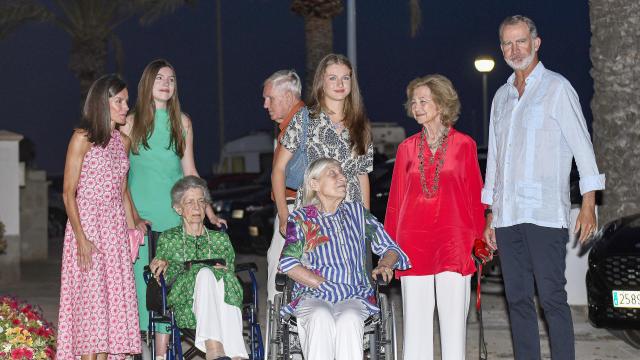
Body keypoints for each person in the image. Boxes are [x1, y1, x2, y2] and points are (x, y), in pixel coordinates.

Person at [482, 15, 606, 359]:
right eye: (507, 43)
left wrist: (588, 203)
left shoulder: (557, 88)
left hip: (544, 214)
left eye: (521, 41)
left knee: (551, 298)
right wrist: (491, 213)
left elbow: (583, 147)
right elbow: (496, 159)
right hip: (508, 217)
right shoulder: (501, 98)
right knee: (517, 299)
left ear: (536, 43)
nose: (514, 49)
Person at [119, 59, 225, 357]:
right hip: (138, 217)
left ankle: (162, 352)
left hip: (172, 215)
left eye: (172, 79)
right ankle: (133, 346)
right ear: (147, 84)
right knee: (139, 285)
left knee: (167, 280)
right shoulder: (130, 121)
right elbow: (121, 174)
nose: (167, 84)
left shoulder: (183, 122)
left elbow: (189, 169)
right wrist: (131, 216)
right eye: (160, 78)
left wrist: (208, 209)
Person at [384, 74, 486, 359]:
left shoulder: (464, 145)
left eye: (423, 101)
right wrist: (390, 250)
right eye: (414, 101)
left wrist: (481, 243)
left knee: (454, 330)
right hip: (412, 246)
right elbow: (395, 203)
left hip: (454, 245)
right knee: (415, 330)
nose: (416, 107)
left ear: (441, 104)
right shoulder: (405, 149)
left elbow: (475, 198)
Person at [279, 158, 410, 360]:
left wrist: (384, 264)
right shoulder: (300, 218)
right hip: (313, 293)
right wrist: (323, 284)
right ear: (314, 184)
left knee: (349, 320)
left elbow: (391, 247)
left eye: (342, 173)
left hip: (354, 293)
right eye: (333, 174)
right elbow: (288, 262)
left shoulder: (357, 213)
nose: (343, 178)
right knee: (319, 317)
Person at [56, 74, 142, 359]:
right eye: (118, 101)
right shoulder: (83, 138)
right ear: (101, 103)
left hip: (114, 232)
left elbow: (123, 192)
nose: (125, 107)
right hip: (89, 229)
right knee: (91, 311)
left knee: (110, 311)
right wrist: (81, 238)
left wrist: (135, 227)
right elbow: (68, 193)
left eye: (126, 101)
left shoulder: (124, 142)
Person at [272, 53, 374, 236]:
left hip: (352, 218)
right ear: (321, 82)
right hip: (313, 215)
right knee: (312, 265)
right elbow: (279, 169)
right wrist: (283, 214)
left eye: (345, 78)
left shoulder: (360, 124)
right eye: (332, 78)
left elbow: (362, 174)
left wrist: (365, 217)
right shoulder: (304, 119)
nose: (340, 84)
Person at [148, 176, 247, 360]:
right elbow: (161, 266)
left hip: (222, 298)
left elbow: (230, 269)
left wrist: (223, 272)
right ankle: (215, 348)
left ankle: (236, 356)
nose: (196, 207)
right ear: (178, 208)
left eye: (201, 202)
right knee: (205, 273)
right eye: (190, 202)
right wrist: (160, 262)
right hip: (187, 303)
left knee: (222, 277)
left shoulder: (220, 239)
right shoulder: (170, 239)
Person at [262, 69, 306, 302]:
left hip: (294, 206)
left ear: (289, 97)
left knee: (280, 262)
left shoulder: (299, 125)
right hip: (292, 206)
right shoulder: (288, 128)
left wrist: (284, 214)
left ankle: (278, 328)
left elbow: (286, 175)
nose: (265, 104)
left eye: (270, 98)